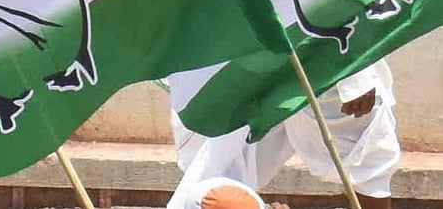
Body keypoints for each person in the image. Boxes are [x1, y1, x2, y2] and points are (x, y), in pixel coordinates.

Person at [168, 60, 399, 209]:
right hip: (241, 60)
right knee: (214, 183)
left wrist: (355, 71)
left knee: (365, 161)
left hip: (323, 53)